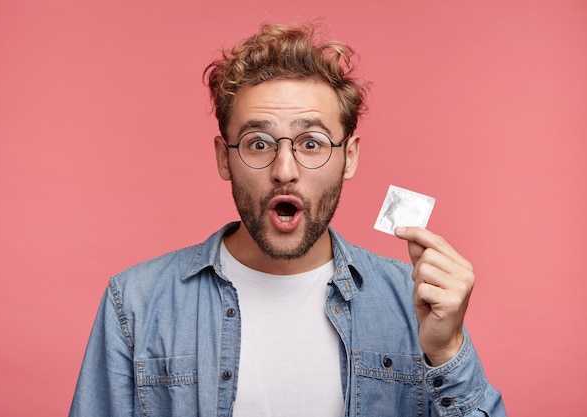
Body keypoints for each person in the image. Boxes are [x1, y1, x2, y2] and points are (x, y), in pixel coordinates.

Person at [69, 21, 506, 417]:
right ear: (225, 158)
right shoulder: (137, 303)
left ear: (348, 157)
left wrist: (447, 350)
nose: (284, 169)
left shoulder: (410, 304)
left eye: (311, 143)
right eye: (258, 143)